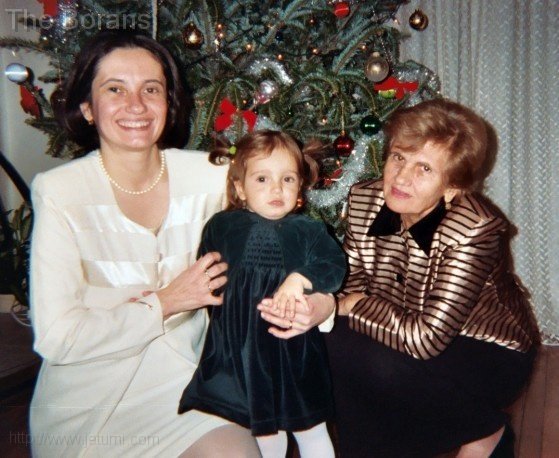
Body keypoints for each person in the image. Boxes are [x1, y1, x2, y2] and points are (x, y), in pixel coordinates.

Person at [28, 30, 334, 458]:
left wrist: (321, 304)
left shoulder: (213, 176)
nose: (136, 105)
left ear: (168, 103)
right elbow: (56, 338)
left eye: (151, 89)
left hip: (190, 387)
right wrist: (166, 302)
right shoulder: (59, 191)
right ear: (87, 108)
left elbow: (292, 240)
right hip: (88, 401)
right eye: (115, 89)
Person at [323, 98, 541, 457]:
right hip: (402, 327)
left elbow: (427, 339)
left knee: (374, 362)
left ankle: (482, 426)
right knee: (339, 345)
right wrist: (344, 303)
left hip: (484, 349)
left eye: (424, 168)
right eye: (398, 157)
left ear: (452, 187)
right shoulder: (364, 200)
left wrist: (355, 305)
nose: (401, 177)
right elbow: (352, 283)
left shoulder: (473, 229)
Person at [178, 130, 347, 458]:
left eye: (287, 179)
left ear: (300, 186)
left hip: (293, 348)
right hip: (242, 351)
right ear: (240, 188)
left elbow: (333, 266)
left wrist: (300, 279)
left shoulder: (309, 230)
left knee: (311, 429)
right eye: (262, 179)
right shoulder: (222, 226)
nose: (276, 189)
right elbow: (207, 272)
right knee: (264, 432)